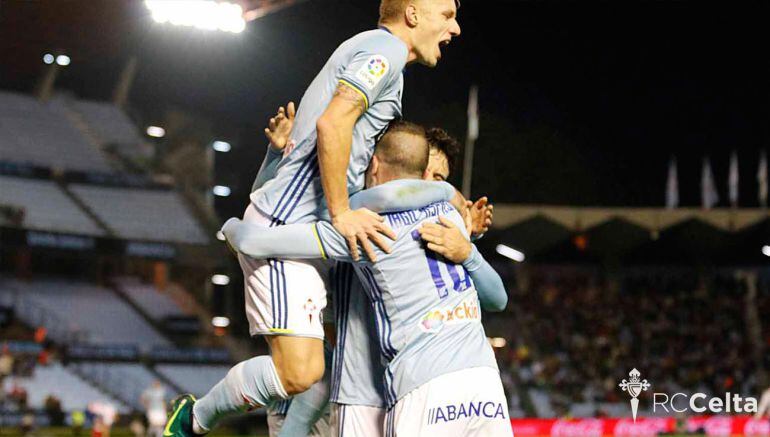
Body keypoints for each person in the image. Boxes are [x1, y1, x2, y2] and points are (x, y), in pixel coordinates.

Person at [165, 1, 461, 435]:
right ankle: (192, 419)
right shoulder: (386, 50)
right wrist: (343, 213)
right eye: (447, 13)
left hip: (303, 234)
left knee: (318, 378)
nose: (454, 28)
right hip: (290, 234)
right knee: (301, 373)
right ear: (413, 13)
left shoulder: (383, 62)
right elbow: (332, 124)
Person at [223, 122, 512, 436]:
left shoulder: (386, 224)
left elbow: (255, 237)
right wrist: (276, 158)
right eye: (426, 173)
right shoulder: (365, 218)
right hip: (354, 389)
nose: (425, 186)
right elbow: (269, 211)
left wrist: (468, 248)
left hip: (409, 386)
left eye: (438, 179)